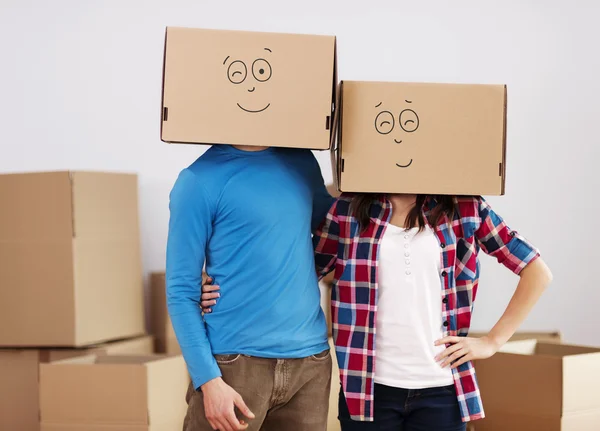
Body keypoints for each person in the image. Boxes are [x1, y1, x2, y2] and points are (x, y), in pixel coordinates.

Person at [203, 192, 552, 431]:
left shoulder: (464, 207)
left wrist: (491, 342)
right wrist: (222, 284)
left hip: (442, 388)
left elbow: (536, 270)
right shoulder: (349, 210)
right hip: (368, 390)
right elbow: (296, 274)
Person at [167, 144, 335, 431]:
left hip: (310, 363)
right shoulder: (198, 180)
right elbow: (181, 290)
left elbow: (334, 233)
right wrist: (208, 381)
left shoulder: (302, 161)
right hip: (233, 365)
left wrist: (295, 277)